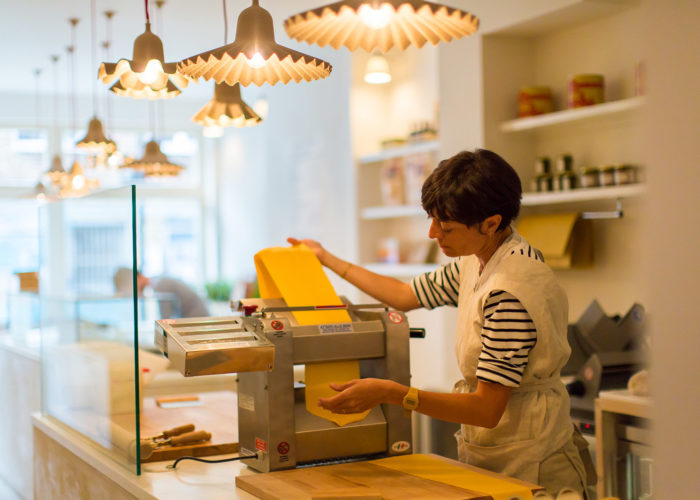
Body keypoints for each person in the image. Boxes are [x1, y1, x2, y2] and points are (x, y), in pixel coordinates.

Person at [288, 149, 593, 498]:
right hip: (498, 452)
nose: (434, 233)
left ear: (491, 223)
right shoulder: (477, 261)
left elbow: (486, 408)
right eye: (432, 220)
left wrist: (391, 393)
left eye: (446, 227)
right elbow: (404, 295)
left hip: (532, 461)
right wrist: (326, 258)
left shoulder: (510, 291)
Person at [113, 268, 209, 318]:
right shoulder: (159, 282)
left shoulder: (161, 285)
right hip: (196, 321)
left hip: (198, 322)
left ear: (137, 277)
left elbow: (166, 319)